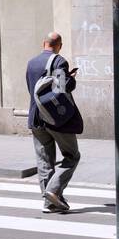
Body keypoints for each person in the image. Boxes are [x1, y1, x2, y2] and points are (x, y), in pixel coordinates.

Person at [25, 31, 82, 213]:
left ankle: (49, 203)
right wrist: (71, 79)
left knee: (44, 161)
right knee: (72, 156)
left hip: (36, 117)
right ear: (60, 45)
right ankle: (53, 190)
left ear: (44, 43)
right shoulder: (59, 61)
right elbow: (62, 89)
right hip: (56, 119)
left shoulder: (31, 63)